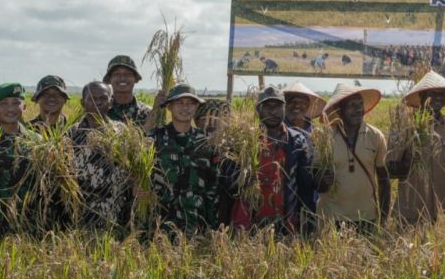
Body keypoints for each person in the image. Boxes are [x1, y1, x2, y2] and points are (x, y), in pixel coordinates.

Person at [385, 71, 445, 225]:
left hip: (444, 212)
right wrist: (407, 158)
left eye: (441, 94)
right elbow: (391, 171)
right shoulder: (405, 127)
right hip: (411, 212)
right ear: (422, 97)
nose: (437, 98)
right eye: (432, 93)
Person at [230, 86, 316, 234]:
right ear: (258, 110)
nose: (273, 111)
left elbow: (305, 184)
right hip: (251, 223)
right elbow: (230, 181)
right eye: (267, 107)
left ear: (284, 109)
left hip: (288, 221)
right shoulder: (245, 140)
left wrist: (308, 221)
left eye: (277, 106)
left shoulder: (297, 140)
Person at [149, 83, 230, 234]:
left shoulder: (206, 142)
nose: (185, 108)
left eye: (190, 103)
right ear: (169, 107)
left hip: (196, 224)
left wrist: (212, 227)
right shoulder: (154, 138)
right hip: (160, 224)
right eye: (179, 103)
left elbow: (213, 187)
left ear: (196, 107)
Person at [316, 84, 390, 230]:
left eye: (359, 104)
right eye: (351, 105)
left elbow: (384, 180)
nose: (357, 109)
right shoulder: (325, 138)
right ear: (339, 111)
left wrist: (384, 216)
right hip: (332, 217)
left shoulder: (375, 136)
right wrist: (322, 180)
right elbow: (316, 181)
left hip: (367, 217)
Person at [68, 81, 131, 231]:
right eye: (92, 99)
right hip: (82, 216)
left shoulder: (122, 131)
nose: (97, 103)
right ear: (83, 103)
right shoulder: (71, 134)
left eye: (102, 98)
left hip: (118, 213)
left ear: (110, 102)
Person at [0, 83, 33, 232]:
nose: (10, 109)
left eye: (16, 103)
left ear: (24, 107)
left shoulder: (37, 141)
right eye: (3, 104)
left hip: (28, 224)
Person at [103, 55, 153, 127]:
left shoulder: (148, 113)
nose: (122, 78)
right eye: (117, 74)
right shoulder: (100, 111)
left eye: (128, 74)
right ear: (109, 79)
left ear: (135, 79)